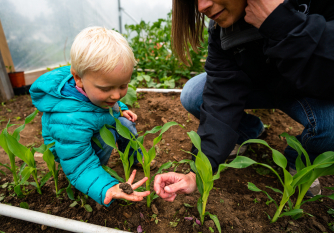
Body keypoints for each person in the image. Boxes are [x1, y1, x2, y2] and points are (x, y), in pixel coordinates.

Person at [154, 0, 334, 201]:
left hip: (309, 88)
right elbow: (221, 97)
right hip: (261, 83)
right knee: (195, 95)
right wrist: (197, 174)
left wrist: (281, 23)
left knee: (331, 126)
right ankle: (247, 131)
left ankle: (300, 159)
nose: (201, 6)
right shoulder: (223, 29)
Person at [30, 27, 151, 206]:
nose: (117, 95)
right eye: (106, 89)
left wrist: (121, 109)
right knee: (97, 147)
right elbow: (79, 164)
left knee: (125, 122)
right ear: (78, 79)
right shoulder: (70, 120)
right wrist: (107, 188)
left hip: (91, 123)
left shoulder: (95, 88)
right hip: (74, 148)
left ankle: (135, 159)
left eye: (123, 86)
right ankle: (95, 178)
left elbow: (106, 101)